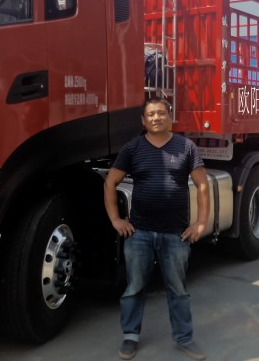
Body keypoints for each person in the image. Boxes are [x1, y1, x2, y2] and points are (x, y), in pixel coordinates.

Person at [104, 97, 210, 360]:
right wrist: (116, 220)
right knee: (134, 288)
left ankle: (184, 338)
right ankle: (130, 337)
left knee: (178, 290)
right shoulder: (133, 149)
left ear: (169, 116)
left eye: (161, 113)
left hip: (176, 233)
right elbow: (110, 182)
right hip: (139, 233)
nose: (156, 118)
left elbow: (202, 185)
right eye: (150, 114)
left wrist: (201, 222)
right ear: (143, 120)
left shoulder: (186, 147)